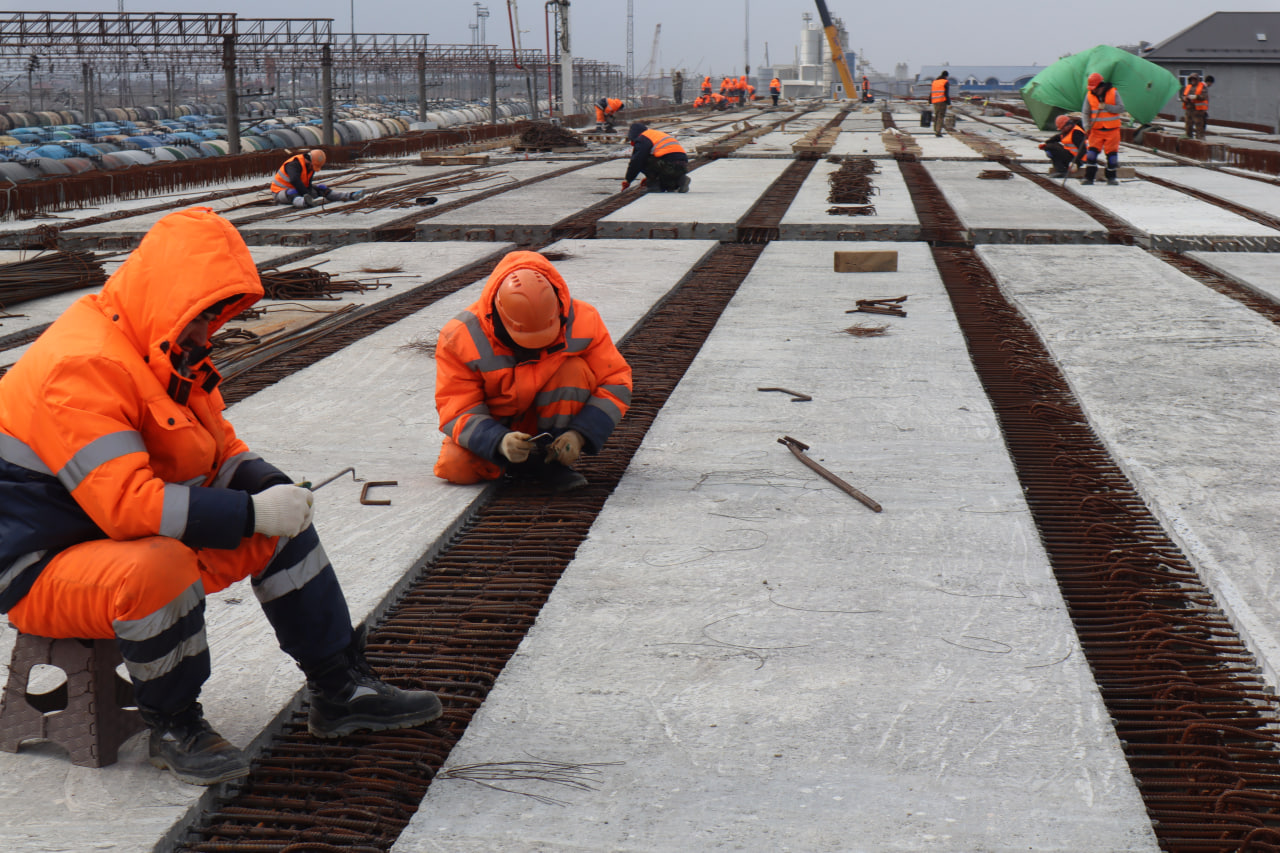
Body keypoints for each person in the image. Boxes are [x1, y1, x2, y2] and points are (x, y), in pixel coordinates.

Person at [0, 207, 442, 786]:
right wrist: (249, 512)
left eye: (215, 315)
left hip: (103, 539)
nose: (208, 332)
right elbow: (128, 506)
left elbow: (218, 451)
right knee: (160, 564)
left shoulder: (159, 352)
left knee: (280, 527)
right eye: (203, 314)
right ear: (170, 297)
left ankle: (339, 687)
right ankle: (174, 723)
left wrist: (271, 490)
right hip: (41, 565)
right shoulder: (82, 366)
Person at [433, 250, 632, 494]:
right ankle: (514, 463)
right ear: (500, 316)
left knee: (573, 370)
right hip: (497, 422)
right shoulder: (460, 336)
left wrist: (579, 434)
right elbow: (456, 407)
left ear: (557, 309)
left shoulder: (584, 319)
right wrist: (498, 441)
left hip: (553, 421)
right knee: (455, 466)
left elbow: (616, 383)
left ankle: (552, 462)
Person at [270, 149, 364, 209]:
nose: (313, 169)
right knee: (292, 192)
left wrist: (312, 192)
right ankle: (304, 203)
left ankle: (348, 196)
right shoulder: (293, 164)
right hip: (281, 192)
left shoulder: (310, 167)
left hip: (299, 190)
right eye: (313, 166)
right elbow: (295, 180)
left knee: (322, 188)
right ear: (310, 160)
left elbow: (307, 184)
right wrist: (307, 194)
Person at [1081, 71, 1125, 186]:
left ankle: (1111, 178)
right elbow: (1085, 113)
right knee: (1091, 155)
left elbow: (1121, 108)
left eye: (1095, 88)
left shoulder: (1113, 92)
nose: (1093, 91)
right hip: (1096, 131)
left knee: (1112, 158)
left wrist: (1106, 107)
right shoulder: (1089, 95)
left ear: (1101, 86)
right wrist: (1086, 126)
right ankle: (1089, 178)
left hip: (1112, 131)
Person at [621, 122, 690, 194]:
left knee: (643, 160)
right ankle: (681, 180)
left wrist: (628, 180)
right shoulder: (654, 134)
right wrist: (648, 178)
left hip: (669, 164)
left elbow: (636, 161)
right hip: (682, 165)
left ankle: (654, 186)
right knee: (669, 185)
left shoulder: (642, 138)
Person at [1041, 114, 1086, 179]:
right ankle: (1060, 169)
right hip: (1070, 156)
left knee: (1051, 148)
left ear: (1068, 125)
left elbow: (1083, 149)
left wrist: (1075, 162)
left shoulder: (1076, 133)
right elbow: (1057, 137)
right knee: (1049, 147)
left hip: (1076, 159)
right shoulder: (1066, 131)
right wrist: (1045, 143)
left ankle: (1062, 171)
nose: (1062, 130)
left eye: (1062, 128)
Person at [1182, 73, 1213, 140]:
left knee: (1199, 125)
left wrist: (1195, 97)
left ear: (1197, 79)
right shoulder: (1188, 87)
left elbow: (1204, 96)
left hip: (1198, 110)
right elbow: (1184, 95)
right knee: (1188, 125)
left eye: (1194, 79)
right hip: (1189, 109)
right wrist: (1184, 98)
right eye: (1192, 79)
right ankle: (1188, 137)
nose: (1193, 80)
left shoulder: (1202, 86)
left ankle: (1200, 138)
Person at [930, 70, 950, 137]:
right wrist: (948, 102)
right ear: (946, 76)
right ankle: (938, 132)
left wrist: (930, 100)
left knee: (936, 115)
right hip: (942, 101)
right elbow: (946, 93)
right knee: (940, 116)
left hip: (935, 101)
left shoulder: (935, 82)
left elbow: (931, 92)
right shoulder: (945, 82)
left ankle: (935, 129)